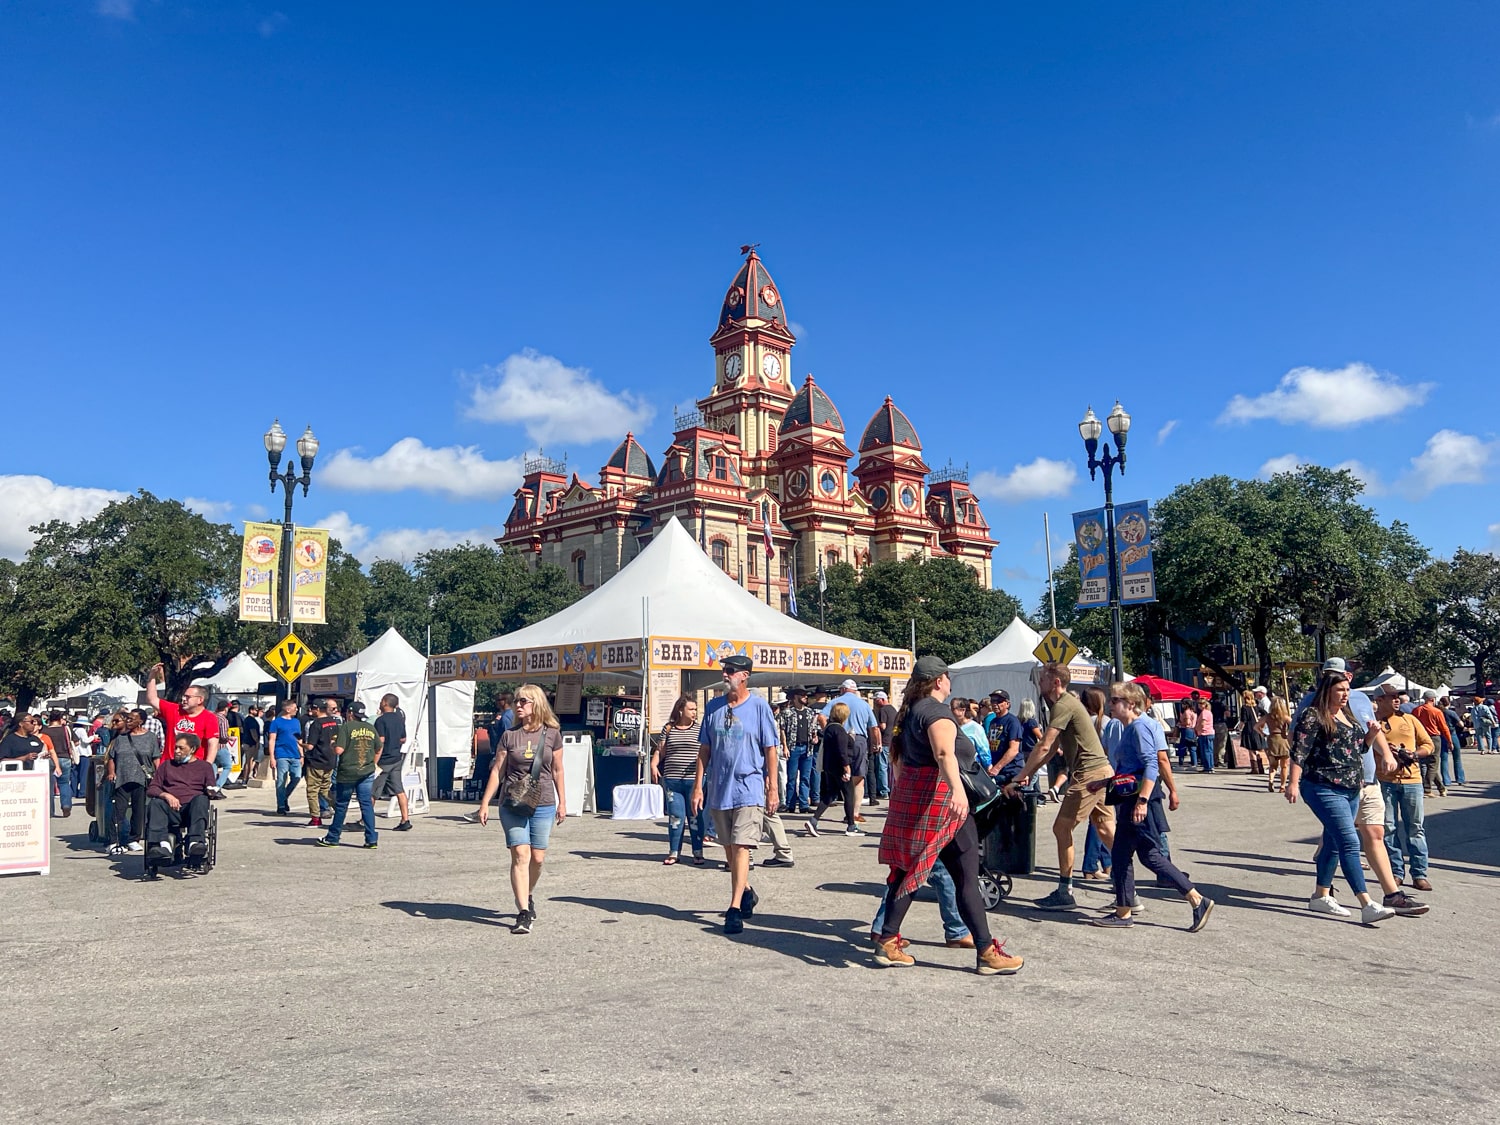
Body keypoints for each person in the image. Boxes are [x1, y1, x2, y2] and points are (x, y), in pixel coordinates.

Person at [872, 654, 1023, 975]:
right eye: (948, 677)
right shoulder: (936, 711)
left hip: (920, 798)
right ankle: (986, 951)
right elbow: (944, 752)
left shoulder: (910, 711)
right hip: (943, 803)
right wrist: (956, 791)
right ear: (940, 680)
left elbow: (898, 760)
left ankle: (887, 940)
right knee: (966, 876)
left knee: (909, 869)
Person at [1091, 683, 1214, 931]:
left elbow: (1151, 765)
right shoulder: (1128, 728)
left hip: (1139, 800)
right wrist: (1105, 782)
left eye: (1115, 700)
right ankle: (1124, 912)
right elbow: (1130, 769)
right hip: (1130, 798)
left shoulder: (1141, 727)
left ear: (1131, 704)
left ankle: (1196, 899)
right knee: (1124, 855)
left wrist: (1143, 801)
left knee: (1150, 856)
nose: (1111, 704)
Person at [1288, 668, 1398, 924]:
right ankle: (1367, 903)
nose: (1345, 694)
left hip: (1351, 788)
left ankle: (1320, 897)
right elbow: (1299, 751)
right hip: (1322, 786)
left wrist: (1370, 738)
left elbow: (1355, 749)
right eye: (1339, 690)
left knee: (1334, 842)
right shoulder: (1313, 715)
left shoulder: (1346, 714)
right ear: (1327, 691)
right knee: (1350, 842)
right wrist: (1292, 783)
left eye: (1347, 690)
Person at [1004, 663, 1114, 911]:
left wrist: (1021, 775)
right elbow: (1052, 749)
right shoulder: (1063, 706)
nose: (1038, 683)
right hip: (1102, 771)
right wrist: (1027, 774)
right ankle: (1127, 889)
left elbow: (1044, 745)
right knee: (1106, 830)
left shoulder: (1063, 704)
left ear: (1055, 682)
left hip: (1089, 775)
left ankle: (1065, 891)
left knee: (1061, 828)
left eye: (1042, 678)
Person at [691, 655, 779, 936]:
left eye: (730, 671)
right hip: (720, 787)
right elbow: (704, 749)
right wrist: (697, 785)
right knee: (729, 848)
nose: (725, 675)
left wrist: (772, 787)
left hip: (749, 786)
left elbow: (771, 749)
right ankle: (748, 891)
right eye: (724, 671)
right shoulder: (714, 707)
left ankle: (733, 908)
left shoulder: (759, 707)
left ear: (744, 676)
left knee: (741, 847)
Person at [476, 684, 566, 935]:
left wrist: (563, 802)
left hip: (544, 801)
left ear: (536, 703)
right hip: (512, 803)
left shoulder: (552, 734)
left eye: (523, 701)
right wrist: (484, 804)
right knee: (520, 856)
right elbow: (497, 770)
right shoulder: (509, 735)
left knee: (537, 858)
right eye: (516, 701)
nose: (518, 705)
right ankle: (523, 912)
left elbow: (558, 770)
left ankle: (527, 892)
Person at [1374, 685, 1433, 893]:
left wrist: (1414, 754)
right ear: (1379, 700)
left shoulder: (1409, 720)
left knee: (1415, 827)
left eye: (1398, 697)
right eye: (1392, 698)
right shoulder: (1373, 723)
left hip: (1412, 780)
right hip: (1385, 781)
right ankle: (1396, 872)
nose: (1397, 700)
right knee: (1388, 828)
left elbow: (1428, 744)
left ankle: (1419, 874)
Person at [145, 734, 217, 862]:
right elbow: (152, 788)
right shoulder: (166, 765)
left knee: (201, 799)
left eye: (181, 748)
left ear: (192, 749)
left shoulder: (205, 767)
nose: (177, 751)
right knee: (156, 803)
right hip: (170, 809)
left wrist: (212, 791)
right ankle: (162, 846)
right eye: (176, 748)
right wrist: (166, 795)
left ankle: (195, 843)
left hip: (192, 809)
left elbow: (211, 787)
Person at [318, 702, 380, 849]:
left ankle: (333, 837)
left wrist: (333, 744)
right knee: (366, 805)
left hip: (348, 772)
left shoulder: (346, 727)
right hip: (366, 772)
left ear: (350, 713)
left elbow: (339, 750)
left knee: (341, 805)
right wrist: (372, 764)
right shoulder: (371, 728)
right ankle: (371, 839)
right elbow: (379, 748)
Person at [651, 695, 704, 864]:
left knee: (695, 816)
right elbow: (660, 751)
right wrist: (654, 764)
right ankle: (674, 852)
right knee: (676, 816)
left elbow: (706, 751)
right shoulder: (668, 729)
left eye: (695, 709)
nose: (694, 712)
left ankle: (698, 851)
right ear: (681, 710)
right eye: (691, 709)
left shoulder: (700, 729)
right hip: (672, 779)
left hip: (694, 780)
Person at [818, 679, 880, 820]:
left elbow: (821, 717)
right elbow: (874, 728)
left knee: (842, 777)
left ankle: (847, 812)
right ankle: (854, 813)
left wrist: (827, 731)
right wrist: (875, 744)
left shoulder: (835, 702)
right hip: (858, 740)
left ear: (843, 689)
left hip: (838, 739)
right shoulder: (864, 704)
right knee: (858, 778)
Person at [106, 709, 159, 855]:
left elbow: (155, 758)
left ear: (140, 721)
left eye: (131, 719)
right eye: (127, 718)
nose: (128, 721)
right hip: (122, 778)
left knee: (139, 810)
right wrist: (111, 772)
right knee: (118, 811)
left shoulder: (150, 737)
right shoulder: (120, 738)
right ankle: (113, 841)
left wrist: (158, 776)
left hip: (141, 778)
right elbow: (112, 757)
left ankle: (133, 839)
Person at [1079, 688, 1117, 884]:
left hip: (1088, 774)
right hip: (1104, 774)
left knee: (1099, 821)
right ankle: (1092, 864)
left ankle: (1104, 863)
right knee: (1101, 822)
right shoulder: (1106, 723)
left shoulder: (1084, 721)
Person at [145, 666, 220, 765]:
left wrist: (207, 766)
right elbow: (152, 699)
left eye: (188, 697)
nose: (183, 699)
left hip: (193, 767)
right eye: (184, 696)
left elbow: (213, 744)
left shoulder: (209, 718)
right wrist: (152, 676)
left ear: (200, 700)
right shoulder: (174, 710)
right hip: (170, 764)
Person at [806, 702, 860, 837]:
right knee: (849, 794)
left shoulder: (829, 728)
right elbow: (842, 751)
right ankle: (851, 825)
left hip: (829, 765)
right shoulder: (839, 730)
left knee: (831, 794)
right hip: (839, 766)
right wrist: (846, 767)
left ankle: (814, 819)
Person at [777, 686, 821, 815]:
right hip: (793, 747)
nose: (805, 697)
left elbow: (814, 728)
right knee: (791, 777)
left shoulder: (809, 712)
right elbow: (782, 730)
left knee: (805, 777)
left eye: (805, 695)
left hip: (807, 748)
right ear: (795, 697)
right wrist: (784, 746)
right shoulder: (787, 713)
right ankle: (790, 804)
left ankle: (804, 804)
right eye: (802, 695)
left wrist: (815, 737)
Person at [373, 693, 413, 832]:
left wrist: (374, 761)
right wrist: (395, 741)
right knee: (399, 790)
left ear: (385, 703)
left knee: (373, 790)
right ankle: (405, 819)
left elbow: (381, 741)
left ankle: (364, 820)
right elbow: (403, 739)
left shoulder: (381, 721)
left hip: (384, 759)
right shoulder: (399, 719)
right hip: (396, 758)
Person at [302, 699, 341, 827]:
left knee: (312, 791)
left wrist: (300, 743)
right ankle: (340, 809)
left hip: (316, 761)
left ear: (317, 709)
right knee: (325, 789)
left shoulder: (316, 724)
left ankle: (315, 818)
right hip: (330, 760)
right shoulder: (334, 722)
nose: (310, 712)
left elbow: (311, 746)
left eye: (312, 709)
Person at [265, 699, 304, 816]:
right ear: (288, 709)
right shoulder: (276, 723)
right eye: (294, 708)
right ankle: (281, 805)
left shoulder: (296, 722)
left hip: (295, 755)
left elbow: (299, 739)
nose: (296, 710)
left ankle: (284, 796)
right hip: (282, 754)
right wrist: (272, 757)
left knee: (296, 778)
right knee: (281, 780)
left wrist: (302, 754)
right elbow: (272, 740)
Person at [983, 690, 1025, 784]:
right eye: (992, 701)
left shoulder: (1012, 721)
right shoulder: (993, 721)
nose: (994, 704)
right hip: (995, 769)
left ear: (1007, 704)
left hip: (1010, 771)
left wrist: (996, 768)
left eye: (999, 701)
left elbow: (1014, 750)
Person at [41, 711, 76, 817]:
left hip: (49, 758)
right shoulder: (66, 729)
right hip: (65, 758)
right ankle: (66, 805)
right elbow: (76, 742)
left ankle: (50, 811)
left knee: (49, 785)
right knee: (64, 783)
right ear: (60, 718)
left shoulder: (45, 730)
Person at [871, 689, 896, 802]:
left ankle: (883, 791)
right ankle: (892, 788)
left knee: (882, 767)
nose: (875, 703)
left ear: (881, 700)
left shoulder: (883, 710)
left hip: (885, 741)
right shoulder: (893, 709)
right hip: (893, 741)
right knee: (891, 767)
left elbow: (883, 726)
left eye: (876, 700)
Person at [1438, 695, 1467, 787]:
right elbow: (1461, 724)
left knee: (1444, 758)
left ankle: (1446, 780)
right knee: (1457, 758)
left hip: (1441, 735)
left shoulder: (1438, 712)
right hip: (1452, 734)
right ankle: (1460, 779)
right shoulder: (1451, 713)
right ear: (1449, 703)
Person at [1238, 689, 1269, 775]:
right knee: (1258, 748)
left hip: (1249, 728)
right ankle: (1261, 767)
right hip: (1257, 728)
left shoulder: (1244, 708)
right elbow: (1266, 714)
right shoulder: (1256, 707)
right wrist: (1260, 721)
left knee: (1251, 749)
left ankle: (1254, 768)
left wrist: (1240, 728)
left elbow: (1243, 720)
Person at [1266, 696, 1292, 793]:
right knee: (1284, 765)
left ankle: (1271, 780)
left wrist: (1263, 733)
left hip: (1272, 739)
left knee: (1273, 765)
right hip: (1283, 739)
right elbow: (1294, 726)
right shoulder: (1285, 717)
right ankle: (1282, 786)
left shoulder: (1268, 716)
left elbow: (1256, 726)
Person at [238, 703, 263, 785]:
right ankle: (245, 778)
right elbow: (253, 732)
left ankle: (245, 778)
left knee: (248, 761)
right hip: (250, 743)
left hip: (247, 742)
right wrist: (256, 742)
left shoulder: (247, 719)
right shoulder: (250, 720)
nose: (257, 711)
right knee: (249, 761)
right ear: (251, 710)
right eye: (255, 710)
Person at [1193, 692, 1216, 773]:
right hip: (1209, 733)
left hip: (1205, 733)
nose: (1199, 705)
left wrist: (1196, 729)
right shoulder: (1208, 712)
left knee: (1206, 751)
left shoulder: (1204, 713)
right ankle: (1210, 766)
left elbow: (1203, 723)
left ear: (1204, 704)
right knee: (1209, 750)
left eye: (1201, 703)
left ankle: (1208, 767)